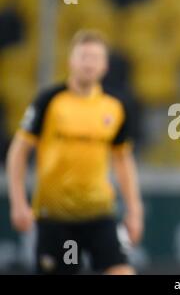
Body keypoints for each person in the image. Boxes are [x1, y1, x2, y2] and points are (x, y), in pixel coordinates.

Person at [7, 30, 144, 275]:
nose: (89, 63)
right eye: (84, 57)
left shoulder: (115, 106)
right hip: (55, 217)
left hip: (99, 213)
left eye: (95, 58)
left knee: (122, 271)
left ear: (104, 65)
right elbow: (18, 152)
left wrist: (134, 210)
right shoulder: (49, 101)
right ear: (71, 61)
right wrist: (18, 203)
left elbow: (123, 160)